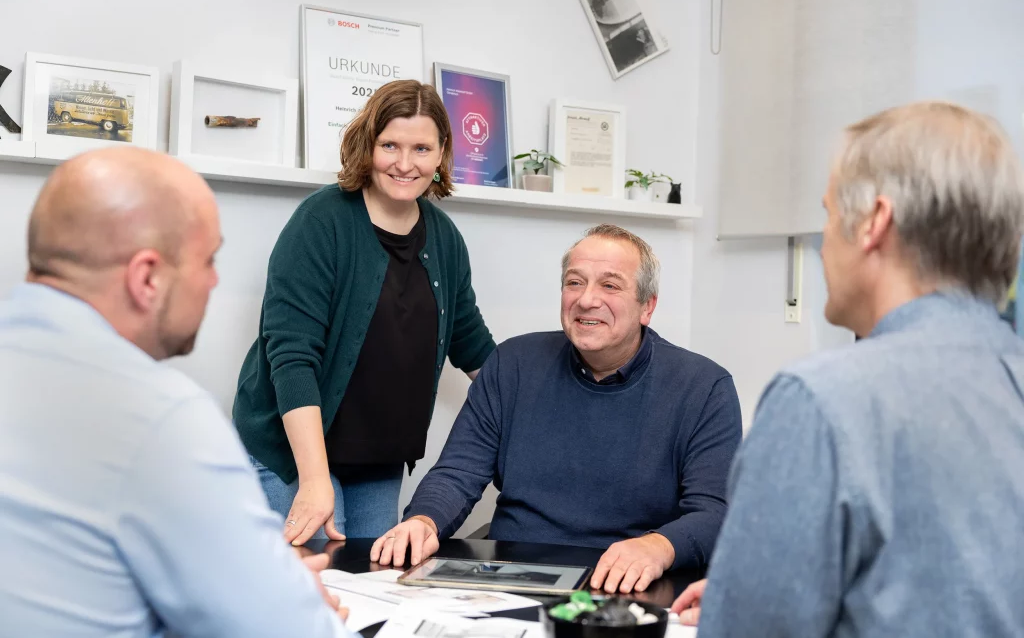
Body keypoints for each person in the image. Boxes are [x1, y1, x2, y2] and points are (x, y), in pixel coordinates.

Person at [673, 101, 1024, 636]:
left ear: (874, 223)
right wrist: (741, 594)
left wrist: (738, 612)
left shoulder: (821, 402)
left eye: (830, 214)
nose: (821, 244)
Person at [0, 148, 351, 637]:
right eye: (207, 260)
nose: (214, 280)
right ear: (146, 278)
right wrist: (292, 598)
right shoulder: (160, 418)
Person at [372, 224, 743, 594]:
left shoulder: (704, 387)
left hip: (627, 586)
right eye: (575, 282)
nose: (586, 300)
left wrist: (659, 547)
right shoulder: (512, 363)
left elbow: (715, 511)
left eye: (610, 286)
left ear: (647, 306)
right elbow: (457, 473)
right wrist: (424, 521)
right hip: (512, 578)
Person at [233, 79, 496, 546]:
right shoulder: (322, 221)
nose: (404, 164)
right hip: (295, 454)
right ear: (367, 144)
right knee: (317, 578)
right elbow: (291, 356)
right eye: (390, 145)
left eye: (421, 149)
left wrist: (535, 396)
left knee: (375, 579)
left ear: (441, 153)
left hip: (377, 457)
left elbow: (471, 341)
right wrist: (314, 480)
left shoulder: (445, 238)